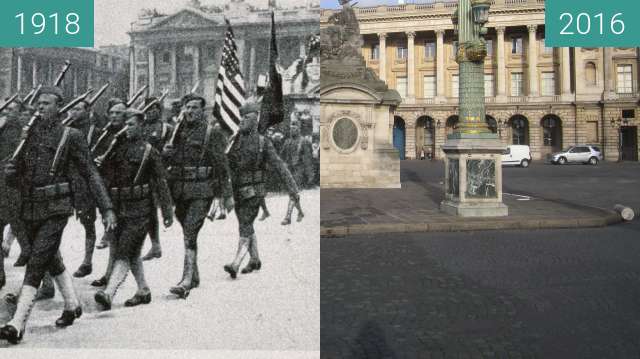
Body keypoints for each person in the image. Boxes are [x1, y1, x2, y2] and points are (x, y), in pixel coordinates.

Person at [0, 87, 116, 344]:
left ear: (59, 107)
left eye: (46, 103)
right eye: (39, 103)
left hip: (57, 207)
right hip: (30, 206)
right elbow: (19, 169)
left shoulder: (71, 136)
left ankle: (17, 323)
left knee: (37, 259)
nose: (40, 107)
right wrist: (11, 172)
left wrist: (106, 207)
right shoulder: (28, 134)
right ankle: (72, 304)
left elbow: (90, 172)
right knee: (50, 258)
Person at [94, 109, 173, 310]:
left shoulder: (149, 151)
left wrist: (167, 211)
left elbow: (161, 182)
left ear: (141, 126)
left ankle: (109, 293)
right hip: (119, 206)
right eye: (125, 124)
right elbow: (105, 176)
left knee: (124, 250)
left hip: (140, 208)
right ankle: (143, 290)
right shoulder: (115, 149)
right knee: (132, 252)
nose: (126, 128)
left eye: (131, 124)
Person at [162, 94, 233, 299]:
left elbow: (221, 165)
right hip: (180, 190)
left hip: (202, 189)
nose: (190, 111)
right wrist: (167, 152)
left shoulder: (211, 132)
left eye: (194, 108)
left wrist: (223, 196)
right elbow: (169, 159)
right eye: (188, 107)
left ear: (202, 111)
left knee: (191, 229)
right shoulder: (177, 131)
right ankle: (194, 275)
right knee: (187, 230)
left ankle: (185, 281)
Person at [223, 100, 300, 279]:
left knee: (245, 223)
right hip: (237, 190)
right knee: (244, 224)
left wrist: (292, 188)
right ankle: (255, 259)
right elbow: (227, 164)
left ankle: (236, 262)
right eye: (241, 117)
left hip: (255, 191)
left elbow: (279, 165)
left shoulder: (262, 142)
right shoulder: (234, 140)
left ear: (255, 120)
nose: (242, 120)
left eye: (246, 117)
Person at [89, 99, 128, 287]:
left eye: (118, 113)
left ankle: (114, 275)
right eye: (111, 113)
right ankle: (109, 272)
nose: (113, 116)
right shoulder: (105, 134)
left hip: (124, 189)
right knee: (112, 234)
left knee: (121, 235)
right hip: (106, 188)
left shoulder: (128, 135)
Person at [66, 101, 102, 278]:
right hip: (67, 179)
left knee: (88, 222)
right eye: (71, 109)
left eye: (78, 109)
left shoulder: (94, 131)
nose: (73, 112)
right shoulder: (65, 129)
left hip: (85, 182)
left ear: (88, 111)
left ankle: (87, 261)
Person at [140, 97, 174, 261]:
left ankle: (167, 220)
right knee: (148, 210)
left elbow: (174, 148)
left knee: (161, 203)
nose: (150, 112)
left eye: (154, 109)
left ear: (159, 110)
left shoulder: (167, 128)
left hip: (159, 171)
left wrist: (169, 153)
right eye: (147, 109)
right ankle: (155, 245)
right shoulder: (140, 127)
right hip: (142, 172)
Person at [279, 116, 314, 225]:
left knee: (293, 193)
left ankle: (288, 217)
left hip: (299, 170)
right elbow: (281, 156)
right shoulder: (287, 142)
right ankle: (300, 212)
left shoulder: (304, 142)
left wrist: (310, 175)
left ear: (299, 129)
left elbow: (308, 160)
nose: (292, 130)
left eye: (294, 128)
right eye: (291, 128)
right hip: (289, 171)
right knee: (293, 193)